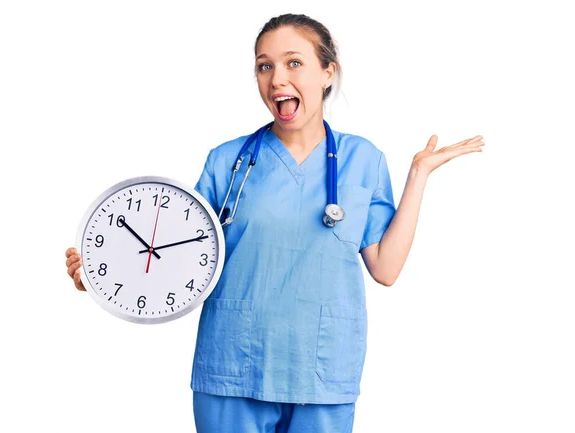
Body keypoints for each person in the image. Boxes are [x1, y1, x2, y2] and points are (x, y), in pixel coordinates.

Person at [65, 13, 484, 433]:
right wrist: (103, 279)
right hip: (232, 368)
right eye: (265, 66)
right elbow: (176, 257)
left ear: (327, 72)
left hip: (322, 373)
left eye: (293, 63)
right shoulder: (227, 160)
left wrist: (418, 176)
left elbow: (386, 269)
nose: (276, 78)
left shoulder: (364, 160)